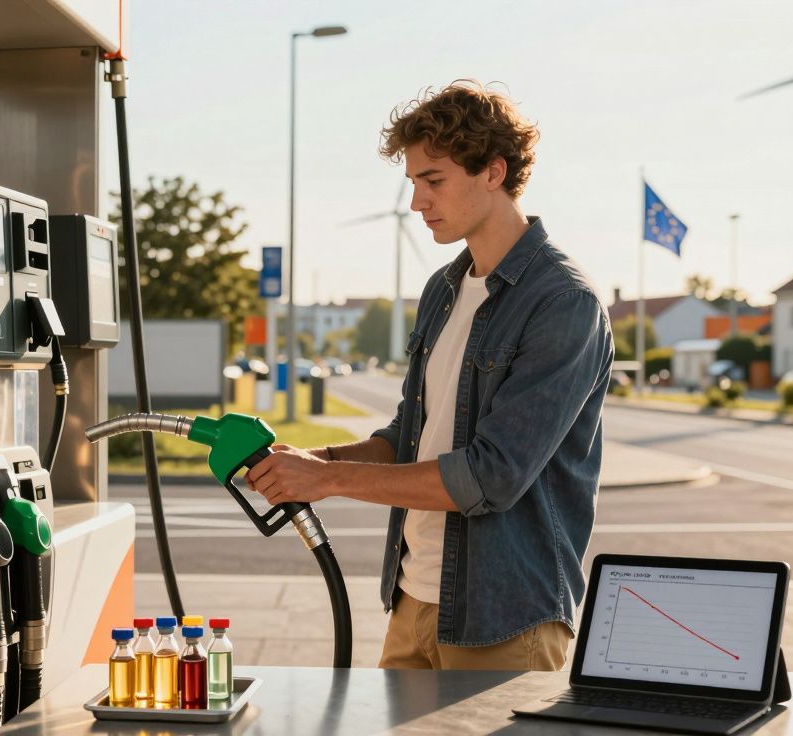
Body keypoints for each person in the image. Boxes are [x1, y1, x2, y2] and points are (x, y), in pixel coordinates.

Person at [245, 81, 614, 671]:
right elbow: (408, 437)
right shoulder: (443, 288)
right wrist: (318, 463)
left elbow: (490, 478)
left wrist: (326, 483)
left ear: (493, 171)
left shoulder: (562, 303)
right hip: (414, 600)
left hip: (505, 616)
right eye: (413, 182)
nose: (417, 202)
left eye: (433, 180)